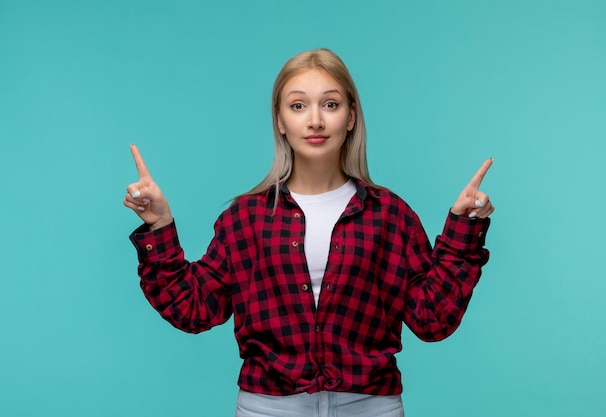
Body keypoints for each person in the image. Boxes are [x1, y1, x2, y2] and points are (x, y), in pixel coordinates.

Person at [124, 48, 494, 417]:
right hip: (268, 407)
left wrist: (465, 230)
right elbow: (195, 308)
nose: (315, 120)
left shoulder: (389, 215)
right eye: (298, 106)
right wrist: (159, 226)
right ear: (280, 120)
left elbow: (432, 319)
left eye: (330, 105)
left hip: (370, 407)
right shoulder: (246, 217)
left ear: (350, 116)